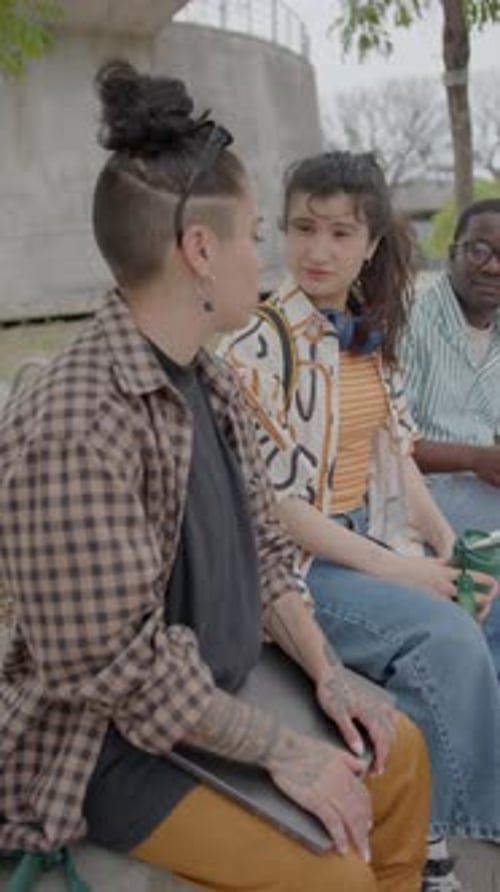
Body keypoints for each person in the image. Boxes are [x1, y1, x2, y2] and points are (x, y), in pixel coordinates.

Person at [0, 64, 430, 892]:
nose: (264, 256)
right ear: (200, 251)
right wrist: (287, 751)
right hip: (108, 750)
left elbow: (266, 549)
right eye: (253, 235)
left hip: (220, 683)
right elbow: (117, 674)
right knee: (333, 878)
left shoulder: (209, 375)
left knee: (399, 752)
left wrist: (327, 669)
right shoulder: (74, 425)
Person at [221, 150, 500, 892]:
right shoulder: (261, 343)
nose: (318, 250)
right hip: (298, 560)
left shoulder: (367, 338)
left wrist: (449, 548)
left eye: (341, 233)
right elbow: (276, 509)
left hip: (370, 532)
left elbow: (397, 455)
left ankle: (448, 802)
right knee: (443, 633)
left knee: (484, 607)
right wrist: (405, 571)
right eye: (303, 228)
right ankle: (436, 841)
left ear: (372, 244)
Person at [400, 198, 500, 534]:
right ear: (451, 253)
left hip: (483, 491)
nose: (492, 267)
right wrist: (475, 458)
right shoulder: (409, 322)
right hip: (421, 494)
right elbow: (389, 443)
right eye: (478, 250)